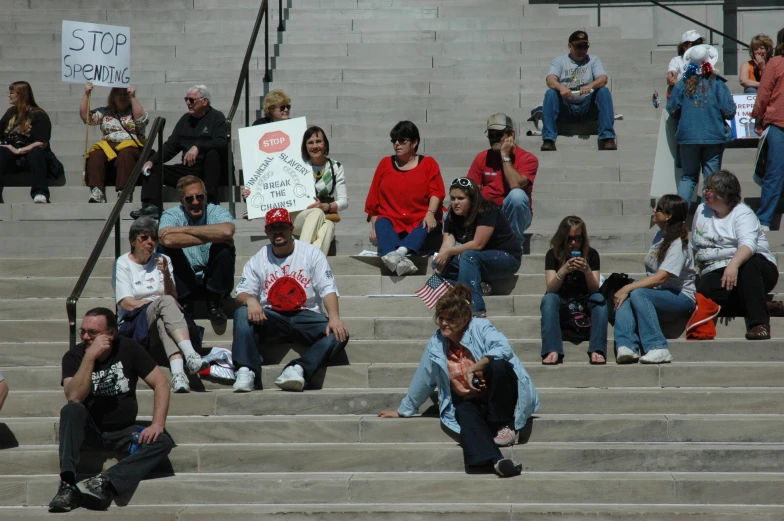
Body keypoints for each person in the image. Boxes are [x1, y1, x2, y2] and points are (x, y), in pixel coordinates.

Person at [378, 284, 539, 478]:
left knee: (498, 366)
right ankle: (498, 461)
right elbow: (424, 379)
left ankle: (505, 425)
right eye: (441, 319)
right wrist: (404, 410)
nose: (444, 323)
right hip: (473, 401)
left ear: (464, 319)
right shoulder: (436, 344)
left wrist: (475, 367)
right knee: (463, 411)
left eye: (450, 319)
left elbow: (504, 348)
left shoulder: (480, 327)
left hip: (502, 399)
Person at [47, 308, 173, 513]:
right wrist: (90, 357)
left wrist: (157, 424)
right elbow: (74, 396)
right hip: (89, 432)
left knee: (162, 441)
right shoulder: (74, 357)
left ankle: (103, 482)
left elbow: (161, 384)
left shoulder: (129, 348)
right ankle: (67, 485)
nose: (86, 337)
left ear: (111, 334)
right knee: (71, 410)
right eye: (83, 331)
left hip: (124, 431)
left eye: (93, 333)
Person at [231, 208, 349, 392]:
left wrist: (334, 316)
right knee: (241, 312)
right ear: (266, 232)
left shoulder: (311, 254)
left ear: (291, 228)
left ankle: (298, 368)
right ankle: (246, 371)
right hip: (272, 319)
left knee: (339, 334)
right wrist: (250, 300)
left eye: (282, 227)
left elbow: (327, 288)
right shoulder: (258, 259)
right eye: (272, 228)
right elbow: (240, 294)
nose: (278, 232)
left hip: (306, 316)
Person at [113, 216, 207, 393]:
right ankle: (190, 354)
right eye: (144, 237)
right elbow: (127, 303)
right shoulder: (123, 263)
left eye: (154, 238)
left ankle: (179, 375)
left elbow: (172, 297)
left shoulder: (163, 259)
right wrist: (156, 304)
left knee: (164, 317)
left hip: (160, 320)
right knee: (164, 304)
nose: (151, 242)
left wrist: (166, 276)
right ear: (133, 241)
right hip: (134, 323)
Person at [692, 170, 781, 340]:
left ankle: (759, 324)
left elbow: (748, 245)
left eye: (709, 189)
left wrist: (733, 265)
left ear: (722, 193)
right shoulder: (701, 210)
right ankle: (763, 305)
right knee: (704, 292)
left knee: (749, 266)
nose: (704, 193)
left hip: (754, 266)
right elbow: (696, 244)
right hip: (715, 267)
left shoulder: (743, 213)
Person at [613, 195, 697, 364]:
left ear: (668, 216)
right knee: (627, 292)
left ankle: (658, 347)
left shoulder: (678, 243)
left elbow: (661, 277)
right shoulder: (660, 235)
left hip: (681, 298)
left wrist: (629, 288)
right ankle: (626, 346)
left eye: (658, 209)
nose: (654, 210)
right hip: (659, 293)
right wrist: (627, 288)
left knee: (636, 293)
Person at [243, 126, 348, 255]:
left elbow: (344, 201)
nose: (315, 146)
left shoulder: (335, 167)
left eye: (318, 141)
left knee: (329, 226)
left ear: (325, 144)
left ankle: (306, 262)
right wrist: (250, 194)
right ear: (305, 146)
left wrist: (325, 206)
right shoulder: (295, 164)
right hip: (295, 218)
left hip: (324, 215)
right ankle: (300, 257)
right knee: (316, 212)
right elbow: (273, 187)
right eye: (310, 142)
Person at [131, 85, 227, 219]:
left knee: (213, 154)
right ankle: (152, 206)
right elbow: (171, 146)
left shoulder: (216, 117)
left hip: (209, 170)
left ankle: (209, 200)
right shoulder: (185, 120)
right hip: (189, 168)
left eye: (191, 100)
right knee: (154, 168)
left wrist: (198, 146)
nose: (188, 103)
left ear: (204, 102)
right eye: (186, 100)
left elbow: (221, 142)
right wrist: (152, 161)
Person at [365, 120, 446, 275]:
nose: (397, 144)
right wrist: (375, 227)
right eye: (394, 140)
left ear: (414, 142)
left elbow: (436, 192)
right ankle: (400, 257)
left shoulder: (429, 163)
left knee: (426, 223)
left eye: (402, 140)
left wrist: (430, 212)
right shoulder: (385, 163)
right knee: (382, 222)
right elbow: (373, 202)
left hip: (419, 223)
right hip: (393, 223)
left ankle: (398, 253)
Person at [434, 178, 522, 318]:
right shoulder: (452, 216)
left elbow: (478, 244)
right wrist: (438, 268)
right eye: (453, 198)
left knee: (469, 255)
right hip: (476, 261)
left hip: (506, 259)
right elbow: (447, 246)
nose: (455, 202)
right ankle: (479, 286)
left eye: (461, 198)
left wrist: (450, 251)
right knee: (439, 261)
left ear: (472, 199)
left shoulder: (487, 210)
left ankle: (476, 310)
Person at [158, 176, 235, 323]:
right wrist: (212, 235)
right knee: (164, 247)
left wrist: (184, 229)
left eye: (200, 197)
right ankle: (185, 301)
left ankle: (214, 303)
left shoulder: (216, 211)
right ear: (181, 200)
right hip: (185, 279)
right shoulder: (171, 214)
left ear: (205, 196)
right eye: (189, 199)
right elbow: (167, 239)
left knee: (224, 247)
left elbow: (227, 232)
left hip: (212, 279)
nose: (195, 202)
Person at [667, 44, 735, 205]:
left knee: (688, 177)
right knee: (711, 180)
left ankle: (679, 219)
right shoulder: (718, 84)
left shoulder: (681, 84)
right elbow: (729, 111)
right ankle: (707, 219)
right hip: (713, 136)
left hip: (688, 137)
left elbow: (672, 109)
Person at [540, 216, 608, 365]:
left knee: (600, 300)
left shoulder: (591, 254)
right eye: (569, 239)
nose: (573, 243)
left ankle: (597, 349)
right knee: (548, 299)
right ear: (562, 238)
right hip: (561, 299)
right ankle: (552, 349)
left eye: (578, 238)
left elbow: (594, 289)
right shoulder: (553, 255)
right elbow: (550, 289)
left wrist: (587, 271)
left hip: (584, 298)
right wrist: (562, 271)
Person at [540, 30, 617, 151]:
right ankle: (548, 139)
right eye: (578, 46)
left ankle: (608, 137)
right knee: (551, 93)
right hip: (566, 108)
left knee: (603, 91)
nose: (582, 50)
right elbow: (550, 80)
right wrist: (561, 88)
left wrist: (591, 85)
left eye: (585, 46)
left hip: (587, 107)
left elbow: (603, 79)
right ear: (570, 47)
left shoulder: (593, 60)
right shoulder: (559, 61)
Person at [466, 113, 538, 242]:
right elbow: (471, 191)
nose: (494, 139)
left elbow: (515, 184)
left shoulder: (528, 159)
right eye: (491, 135)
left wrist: (504, 154)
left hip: (515, 215)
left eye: (499, 135)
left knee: (517, 195)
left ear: (511, 135)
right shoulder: (482, 157)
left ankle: (514, 245)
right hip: (488, 212)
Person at [80, 81, 148, 203]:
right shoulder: (105, 112)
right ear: (113, 96)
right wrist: (86, 94)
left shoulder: (135, 110)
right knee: (96, 154)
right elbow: (86, 117)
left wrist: (132, 97)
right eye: (118, 94)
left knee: (126, 154)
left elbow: (142, 120)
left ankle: (124, 192)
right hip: (109, 146)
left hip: (130, 146)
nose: (122, 97)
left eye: (125, 94)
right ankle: (97, 191)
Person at [0, 81, 55, 203]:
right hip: (11, 156)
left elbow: (42, 142)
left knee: (37, 151)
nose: (9, 96)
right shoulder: (10, 113)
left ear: (21, 95)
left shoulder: (39, 115)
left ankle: (40, 193)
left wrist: (19, 150)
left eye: (11, 93)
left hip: (31, 155)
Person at [753, 27, 784, 232]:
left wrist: (757, 117)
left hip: (777, 123)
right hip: (777, 121)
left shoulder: (775, 63)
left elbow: (763, 94)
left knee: (774, 173)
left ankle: (764, 219)